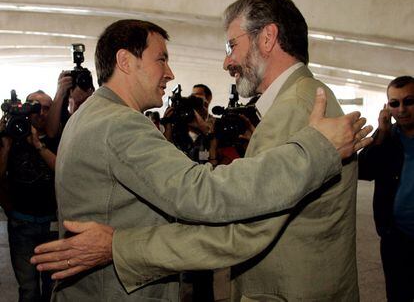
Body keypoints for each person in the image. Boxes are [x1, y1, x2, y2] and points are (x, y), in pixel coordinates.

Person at [30, 18, 371, 302]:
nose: (170, 73)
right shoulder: (119, 123)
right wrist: (315, 150)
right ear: (125, 61)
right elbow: (202, 194)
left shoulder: (90, 114)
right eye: (161, 59)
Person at [359, 75, 414, 302]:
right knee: (398, 295)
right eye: (394, 103)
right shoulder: (386, 138)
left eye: (409, 101)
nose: (401, 109)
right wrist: (381, 132)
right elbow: (364, 171)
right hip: (396, 237)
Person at [0, 90, 58, 302]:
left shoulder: (56, 137)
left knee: (53, 288)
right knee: (28, 289)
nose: (41, 113)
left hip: (52, 224)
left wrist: (37, 145)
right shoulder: (12, 135)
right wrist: (5, 147)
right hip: (21, 224)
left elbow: (63, 170)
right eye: (35, 107)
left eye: (47, 108)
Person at [45, 70, 94, 139]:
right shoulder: (65, 117)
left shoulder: (97, 114)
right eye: (78, 104)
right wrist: (60, 93)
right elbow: (51, 133)